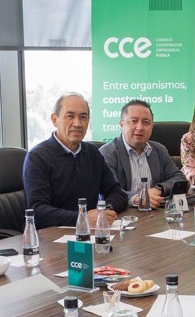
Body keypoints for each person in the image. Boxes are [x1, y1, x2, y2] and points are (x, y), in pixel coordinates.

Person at [23, 92, 128, 228]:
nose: (77, 123)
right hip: (51, 235)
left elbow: (117, 193)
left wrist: (104, 210)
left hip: (90, 232)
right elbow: (37, 211)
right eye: (70, 116)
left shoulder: (92, 152)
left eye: (83, 117)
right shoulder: (37, 157)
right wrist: (82, 218)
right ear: (54, 119)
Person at [100, 99, 188, 208]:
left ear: (152, 127)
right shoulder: (107, 153)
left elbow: (179, 178)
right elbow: (109, 190)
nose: (140, 127)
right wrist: (138, 198)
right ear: (122, 125)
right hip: (122, 213)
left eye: (145, 122)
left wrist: (158, 189)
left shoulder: (159, 150)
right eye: (134, 121)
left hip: (155, 213)